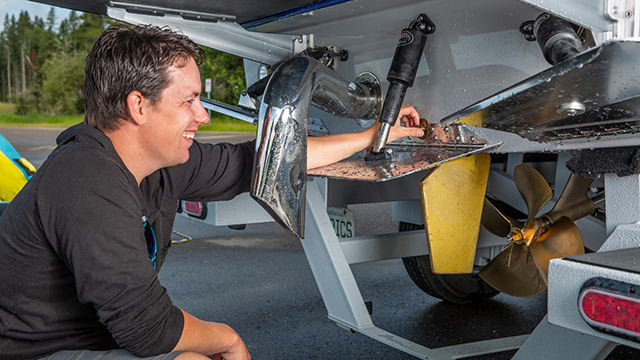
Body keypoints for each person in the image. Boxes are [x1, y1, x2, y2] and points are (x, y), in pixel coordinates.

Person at [0, 24, 422, 360]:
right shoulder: (85, 181)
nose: (201, 115)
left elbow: (270, 155)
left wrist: (371, 136)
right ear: (138, 106)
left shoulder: (159, 167)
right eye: (189, 100)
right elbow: (147, 328)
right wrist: (228, 337)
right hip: (33, 352)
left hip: (96, 339)